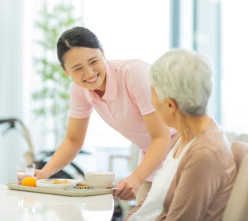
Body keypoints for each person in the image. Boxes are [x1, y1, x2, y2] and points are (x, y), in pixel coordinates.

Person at [34, 26, 175, 202]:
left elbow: (161, 137)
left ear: (103, 52)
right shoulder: (79, 90)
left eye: (93, 61)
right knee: (141, 214)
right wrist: (44, 173)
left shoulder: (136, 74)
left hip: (182, 148)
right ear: (65, 71)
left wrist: (136, 178)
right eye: (77, 68)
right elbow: (73, 140)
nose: (89, 73)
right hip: (153, 155)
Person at [126, 49, 236, 221]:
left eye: (152, 94)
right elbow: (152, 200)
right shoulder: (183, 137)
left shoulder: (204, 154)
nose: (151, 103)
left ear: (170, 105)